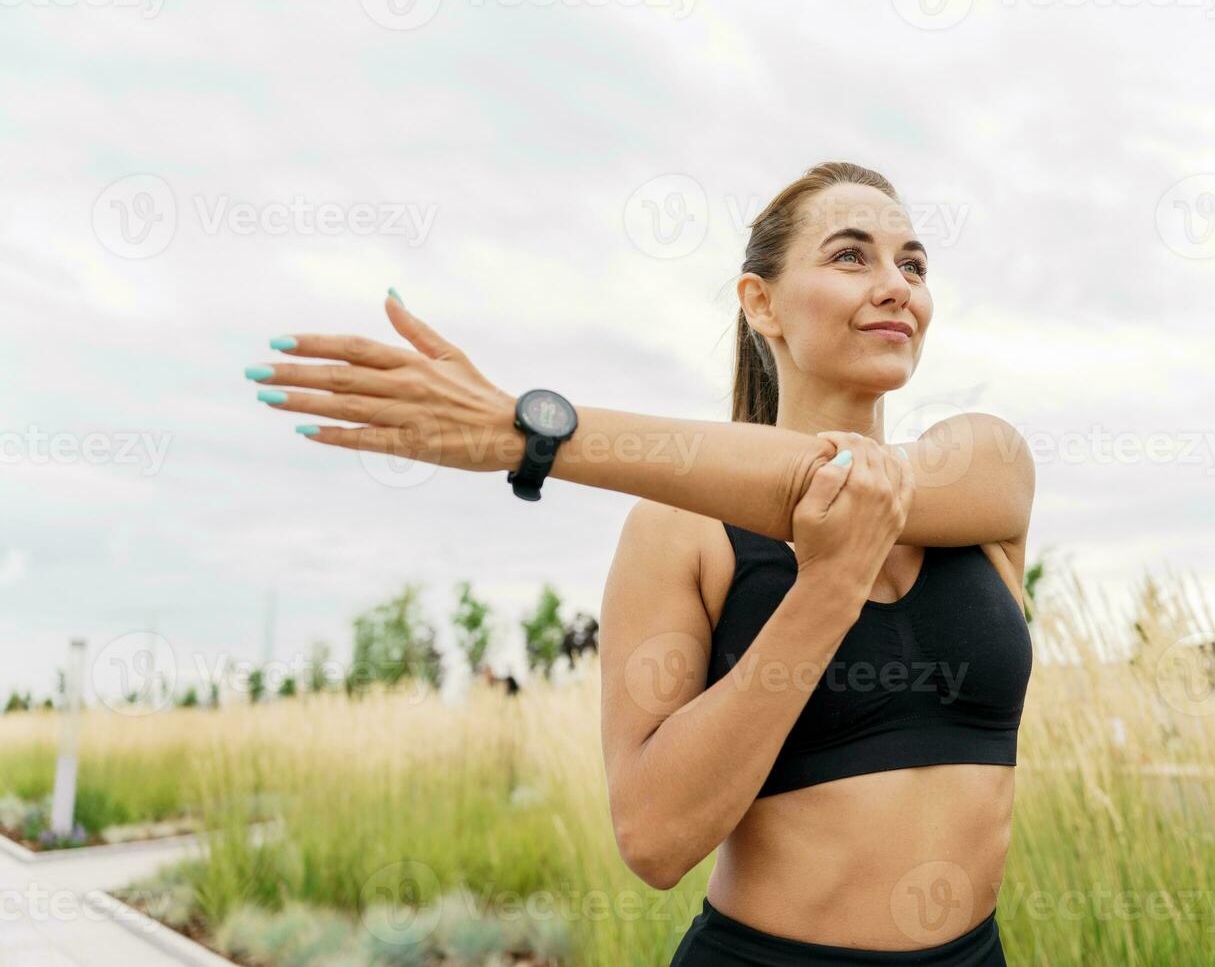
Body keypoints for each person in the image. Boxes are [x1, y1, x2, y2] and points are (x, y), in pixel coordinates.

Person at [243, 161, 1034, 965]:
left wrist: (536, 436)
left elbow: (832, 483)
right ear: (760, 303)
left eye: (914, 264)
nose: (897, 285)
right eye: (851, 256)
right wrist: (826, 588)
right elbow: (655, 842)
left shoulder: (985, 464)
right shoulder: (676, 533)